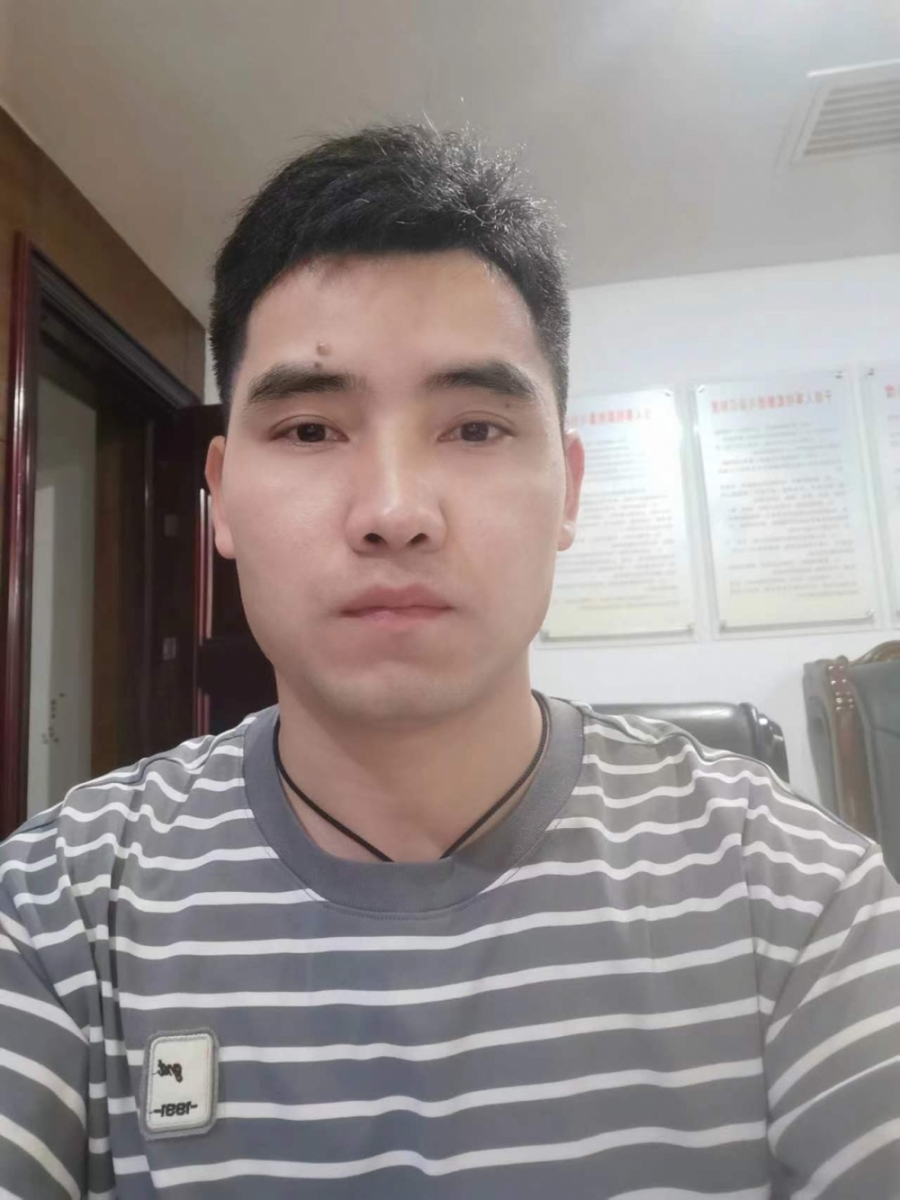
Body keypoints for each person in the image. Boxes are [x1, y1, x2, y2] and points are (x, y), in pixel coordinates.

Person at [1, 124, 898, 1200]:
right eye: (309, 430)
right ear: (222, 496)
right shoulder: (60, 907)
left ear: (567, 491)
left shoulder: (797, 897)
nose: (394, 511)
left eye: (474, 429)